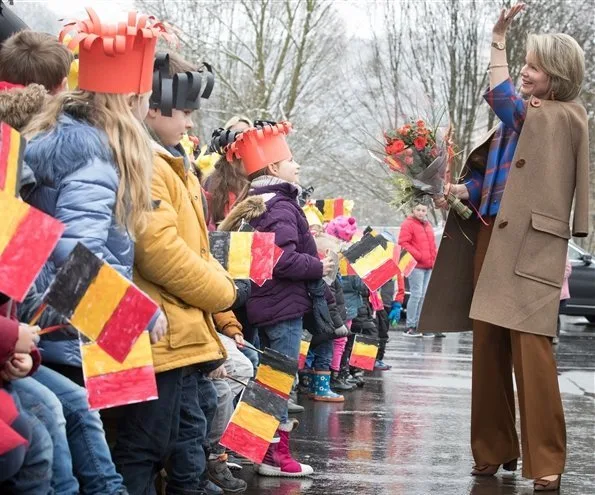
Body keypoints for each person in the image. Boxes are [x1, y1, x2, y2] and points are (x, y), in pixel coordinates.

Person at [425, 3, 588, 491]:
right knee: (488, 347)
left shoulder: (560, 116)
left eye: (533, 66)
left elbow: (502, 96)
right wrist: (453, 191)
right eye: (524, 62)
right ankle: (493, 451)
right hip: (491, 241)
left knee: (532, 353)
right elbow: (488, 184)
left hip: (532, 250)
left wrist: (498, 38)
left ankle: (547, 461)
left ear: (555, 77)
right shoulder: (517, 124)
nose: (524, 71)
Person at [18, 9, 170, 494]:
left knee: (95, 450)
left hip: (72, 318)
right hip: (78, 324)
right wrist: (140, 316)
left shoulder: (62, 134)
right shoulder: (92, 149)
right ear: (129, 99)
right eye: (144, 99)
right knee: (100, 453)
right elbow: (77, 252)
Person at [116, 51, 238, 495]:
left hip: (181, 333)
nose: (190, 124)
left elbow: (194, 243)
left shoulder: (171, 160)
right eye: (184, 112)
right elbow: (158, 249)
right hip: (159, 332)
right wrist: (222, 291)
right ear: (152, 106)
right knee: (146, 447)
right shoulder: (147, 163)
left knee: (186, 442)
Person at [220, 121, 336, 477]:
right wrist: (318, 264)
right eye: (290, 159)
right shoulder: (282, 206)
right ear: (273, 168)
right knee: (279, 379)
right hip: (281, 304)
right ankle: (276, 456)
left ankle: (260, 450)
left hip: (265, 302)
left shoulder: (260, 201)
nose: (296, 165)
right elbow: (282, 260)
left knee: (268, 378)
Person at [398, 203, 439, 337]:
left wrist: (434, 259)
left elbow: (431, 245)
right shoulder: (408, 224)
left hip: (428, 265)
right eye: (418, 210)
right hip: (416, 265)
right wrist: (419, 255)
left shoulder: (427, 225)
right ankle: (411, 325)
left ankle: (421, 325)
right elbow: (403, 243)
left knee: (423, 296)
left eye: (423, 210)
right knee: (416, 295)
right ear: (413, 210)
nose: (421, 212)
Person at [204, 116, 253, 229]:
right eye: (236, 134)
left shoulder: (260, 178)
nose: (241, 138)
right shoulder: (212, 181)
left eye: (247, 133)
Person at [554, 257, 572, 345]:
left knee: (555, 314)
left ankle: (555, 335)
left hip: (559, 291)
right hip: (551, 290)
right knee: (549, 315)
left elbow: (568, 269)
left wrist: (557, 278)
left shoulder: (563, 253)